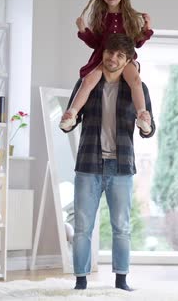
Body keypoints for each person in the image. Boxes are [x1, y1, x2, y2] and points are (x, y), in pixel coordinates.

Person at [61, 33, 155, 291]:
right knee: (82, 227)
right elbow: (69, 124)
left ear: (128, 60)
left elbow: (149, 129)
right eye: (109, 53)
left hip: (121, 167)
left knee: (122, 227)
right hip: (88, 165)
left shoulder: (137, 88)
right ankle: (80, 282)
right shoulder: (87, 84)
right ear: (103, 54)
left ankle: (121, 280)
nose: (113, 58)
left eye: (120, 55)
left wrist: (144, 124)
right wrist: (68, 117)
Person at [60, 0, 154, 134]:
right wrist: (83, 30)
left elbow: (136, 43)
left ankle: (142, 115)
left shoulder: (130, 17)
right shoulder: (100, 16)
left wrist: (147, 28)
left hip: (125, 58)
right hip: (102, 57)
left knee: (136, 80)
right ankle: (72, 113)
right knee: (88, 81)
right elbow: (95, 43)